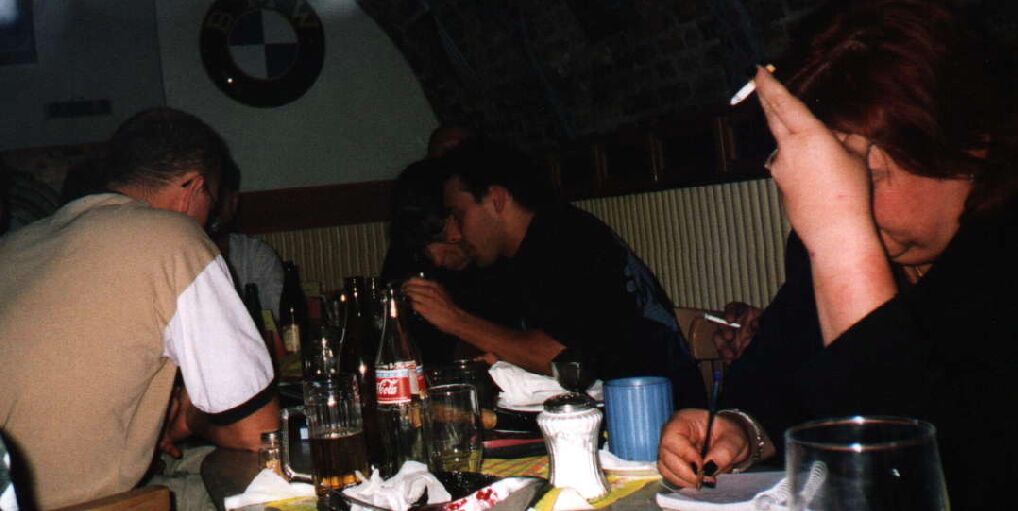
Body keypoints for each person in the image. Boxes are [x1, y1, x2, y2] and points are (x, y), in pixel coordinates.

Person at [657, 2, 1018, 508]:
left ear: (970, 144)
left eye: (867, 175)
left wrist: (843, 246)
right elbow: (773, 377)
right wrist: (741, 430)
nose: (842, 201)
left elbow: (915, 480)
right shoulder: (823, 247)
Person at [0, 108, 279, 509]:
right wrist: (192, 419)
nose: (209, 222)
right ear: (193, 188)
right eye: (211, 205)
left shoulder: (16, 246)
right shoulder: (175, 238)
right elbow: (259, 433)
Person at [403, 141, 707, 408]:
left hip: (656, 414)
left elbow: (560, 357)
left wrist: (456, 320)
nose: (453, 233)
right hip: (605, 408)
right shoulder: (516, 253)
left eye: (459, 214)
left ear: (496, 198)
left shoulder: (564, 239)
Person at [208, 155, 285, 321]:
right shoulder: (183, 255)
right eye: (206, 196)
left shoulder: (256, 255)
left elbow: (280, 316)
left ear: (233, 202)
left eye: (218, 197)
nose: (211, 206)